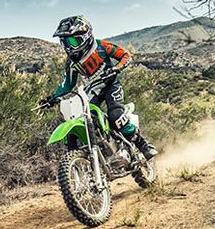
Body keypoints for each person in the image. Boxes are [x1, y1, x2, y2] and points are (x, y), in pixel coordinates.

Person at [41, 15, 159, 159]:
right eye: (65, 42)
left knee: (116, 116)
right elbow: (67, 84)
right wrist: (52, 98)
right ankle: (80, 162)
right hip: (92, 91)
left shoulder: (101, 46)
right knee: (78, 120)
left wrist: (116, 68)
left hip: (111, 85)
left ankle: (143, 145)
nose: (69, 47)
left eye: (72, 41)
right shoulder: (71, 63)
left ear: (85, 37)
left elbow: (125, 56)